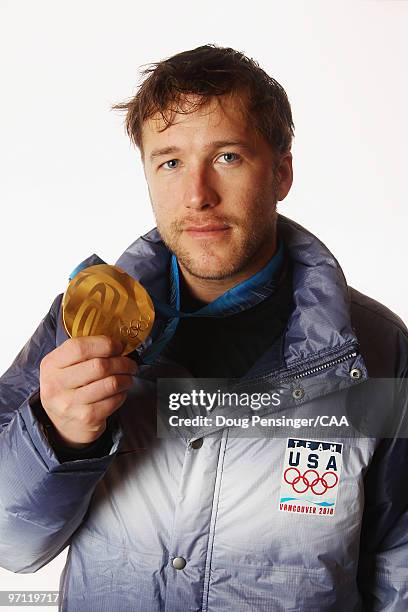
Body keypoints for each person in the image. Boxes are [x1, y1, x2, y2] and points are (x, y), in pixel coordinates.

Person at [0, 44, 407, 612]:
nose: (197, 195)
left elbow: (400, 571)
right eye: (169, 161)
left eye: (228, 157)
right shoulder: (76, 330)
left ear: (282, 171)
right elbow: (9, 544)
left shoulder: (379, 351)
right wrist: (55, 436)